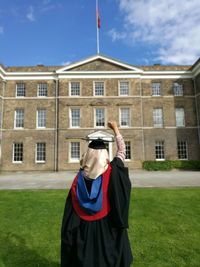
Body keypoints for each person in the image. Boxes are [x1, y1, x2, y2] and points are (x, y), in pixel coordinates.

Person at [61, 121, 133, 267]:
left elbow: (71, 207)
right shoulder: (112, 171)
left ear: (88, 155)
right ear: (104, 154)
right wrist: (116, 130)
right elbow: (122, 151)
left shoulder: (79, 178)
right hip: (106, 222)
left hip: (83, 225)